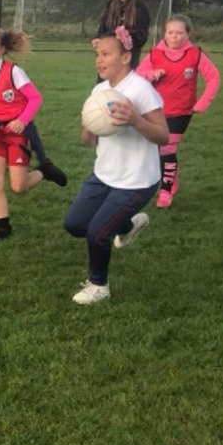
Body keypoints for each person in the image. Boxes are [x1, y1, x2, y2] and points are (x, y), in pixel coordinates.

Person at [63, 26, 169, 304]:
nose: (99, 60)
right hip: (105, 174)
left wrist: (135, 120)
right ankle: (127, 224)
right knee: (75, 224)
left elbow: (163, 136)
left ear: (125, 57)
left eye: (106, 53)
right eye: (97, 54)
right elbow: (88, 141)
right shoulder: (99, 90)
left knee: (98, 232)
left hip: (137, 180)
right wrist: (88, 125)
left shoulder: (140, 89)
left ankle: (99, 285)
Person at [0, 28, 65, 243]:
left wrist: (22, 120)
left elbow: (35, 98)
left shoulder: (12, 72)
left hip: (17, 132)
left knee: (18, 186)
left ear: (2, 50)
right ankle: (3, 227)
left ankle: (44, 171)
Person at [135, 14, 221, 208]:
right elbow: (139, 74)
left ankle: (165, 192)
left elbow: (214, 78)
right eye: (170, 32)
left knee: (167, 149)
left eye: (179, 33)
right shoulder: (155, 54)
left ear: (187, 34)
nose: (175, 36)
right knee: (157, 150)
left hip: (181, 111)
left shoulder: (196, 54)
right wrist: (151, 74)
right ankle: (172, 181)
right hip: (155, 110)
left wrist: (202, 104)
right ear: (165, 33)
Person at [95, 0, 151, 67]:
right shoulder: (111, 4)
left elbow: (142, 33)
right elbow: (103, 24)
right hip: (110, 48)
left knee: (126, 78)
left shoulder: (140, 7)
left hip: (129, 51)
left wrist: (126, 35)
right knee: (107, 77)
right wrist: (99, 38)